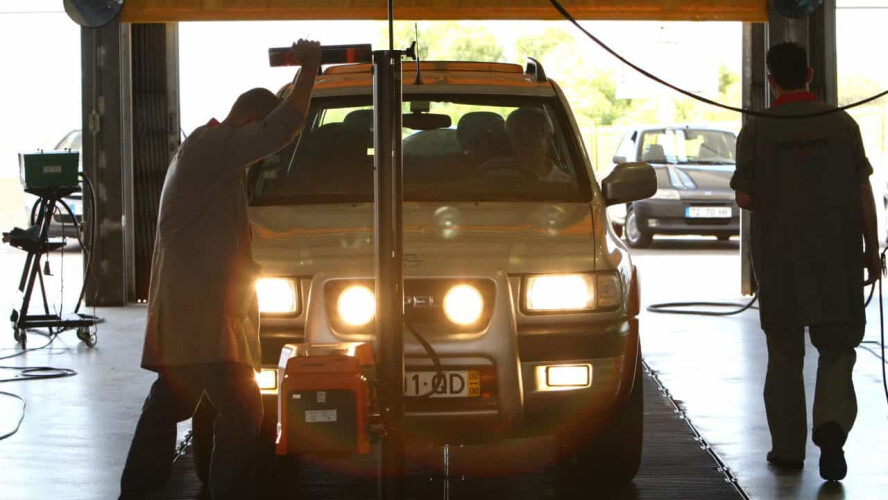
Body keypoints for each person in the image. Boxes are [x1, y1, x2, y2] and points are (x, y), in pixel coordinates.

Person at [118, 39, 322, 499]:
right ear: (248, 122)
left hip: (197, 316)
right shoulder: (210, 149)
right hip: (198, 317)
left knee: (171, 402)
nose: (260, 156)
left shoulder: (211, 161)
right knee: (242, 403)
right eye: (257, 140)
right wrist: (310, 69)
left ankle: (137, 492)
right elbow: (282, 128)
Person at [730, 41, 881, 482]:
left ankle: (789, 450)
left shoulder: (757, 129)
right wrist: (871, 250)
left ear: (771, 79)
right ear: (811, 74)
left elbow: (745, 195)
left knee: (784, 355)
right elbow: (862, 193)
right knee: (836, 349)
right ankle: (831, 428)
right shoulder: (841, 124)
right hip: (837, 259)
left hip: (780, 260)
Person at [479, 107, 572, 182]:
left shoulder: (565, 184)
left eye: (533, 134)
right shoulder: (492, 173)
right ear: (510, 141)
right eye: (518, 134)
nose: (526, 141)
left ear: (548, 140)